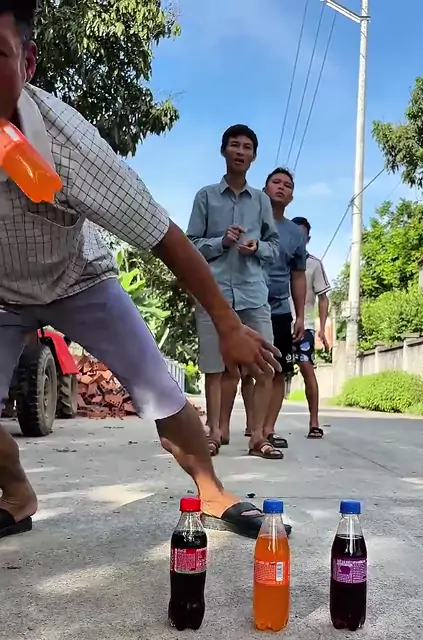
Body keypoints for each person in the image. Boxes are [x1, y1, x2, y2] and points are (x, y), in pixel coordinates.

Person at [0, 2, 287, 542]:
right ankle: (17, 495)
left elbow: (166, 238)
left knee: (159, 388)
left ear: (27, 62)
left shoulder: (70, 146)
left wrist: (227, 325)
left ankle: (211, 489)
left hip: (79, 280)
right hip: (2, 295)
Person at [187, 125, 281, 460]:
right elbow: (190, 246)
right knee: (215, 367)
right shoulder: (206, 196)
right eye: (234, 145)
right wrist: (221, 242)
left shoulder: (261, 200)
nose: (240, 152)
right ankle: (213, 434)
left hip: (253, 293)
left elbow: (274, 246)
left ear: (253, 156)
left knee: (265, 365)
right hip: (214, 295)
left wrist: (257, 247)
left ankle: (258, 438)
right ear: (223, 151)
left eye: (246, 147)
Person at [262, 168, 307, 452]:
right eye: (276, 182)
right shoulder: (252, 221)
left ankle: (267, 429)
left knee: (278, 371)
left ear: (291, 196)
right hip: (247, 305)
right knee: (242, 370)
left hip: (279, 310)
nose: (281, 187)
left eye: (287, 185)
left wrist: (300, 315)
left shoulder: (295, 234)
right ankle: (226, 429)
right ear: (265, 188)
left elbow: (298, 276)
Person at [291, 216, 331, 438]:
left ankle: (314, 422)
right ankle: (262, 428)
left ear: (308, 239)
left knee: (306, 368)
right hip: (279, 321)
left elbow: (323, 298)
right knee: (272, 372)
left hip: (304, 325)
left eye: (302, 236)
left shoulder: (314, 264)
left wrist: (321, 329)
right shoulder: (278, 260)